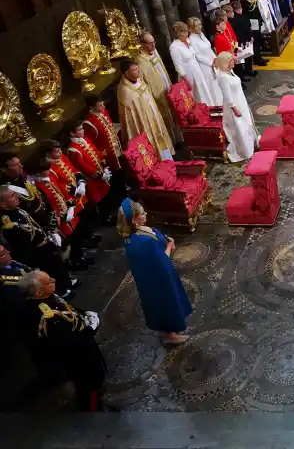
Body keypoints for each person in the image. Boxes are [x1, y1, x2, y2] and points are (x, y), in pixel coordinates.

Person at [16, 270, 107, 410]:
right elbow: (70, 344)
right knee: (90, 385)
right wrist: (91, 329)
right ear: (39, 293)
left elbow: (67, 309)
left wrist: (82, 315)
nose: (53, 281)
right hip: (78, 358)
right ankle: (94, 411)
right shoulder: (49, 318)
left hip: (79, 348)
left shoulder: (46, 297)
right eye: (49, 282)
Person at [118, 199, 191, 346]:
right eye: (142, 213)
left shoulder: (134, 235)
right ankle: (170, 335)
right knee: (167, 303)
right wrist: (169, 245)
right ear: (134, 219)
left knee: (161, 303)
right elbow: (162, 258)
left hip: (152, 277)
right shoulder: (143, 242)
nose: (146, 214)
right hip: (160, 277)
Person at [0, 186, 75, 297]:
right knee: (50, 270)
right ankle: (60, 291)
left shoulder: (18, 210)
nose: (16, 196)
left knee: (58, 265)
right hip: (37, 251)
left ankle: (65, 283)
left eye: (14, 193)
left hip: (44, 243)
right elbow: (22, 245)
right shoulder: (9, 223)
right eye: (11, 196)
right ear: (3, 204)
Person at [116, 59, 175, 160]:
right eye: (135, 70)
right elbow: (131, 120)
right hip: (143, 124)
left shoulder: (139, 80)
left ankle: (167, 161)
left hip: (153, 117)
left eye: (138, 69)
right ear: (126, 73)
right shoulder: (125, 92)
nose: (138, 72)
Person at [134, 33, 179, 140]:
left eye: (154, 42)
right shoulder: (140, 62)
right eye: (150, 43)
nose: (153, 46)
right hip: (157, 94)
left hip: (166, 87)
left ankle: (177, 135)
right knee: (164, 116)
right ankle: (171, 139)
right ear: (142, 44)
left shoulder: (154, 52)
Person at [215, 52, 258, 162]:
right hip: (234, 106)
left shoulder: (229, 72)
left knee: (247, 123)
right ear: (225, 63)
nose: (233, 62)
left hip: (240, 101)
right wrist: (234, 108)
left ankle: (251, 146)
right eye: (231, 61)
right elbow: (227, 96)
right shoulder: (222, 77)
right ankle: (245, 151)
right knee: (240, 128)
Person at [170, 21, 220, 107]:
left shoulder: (187, 41)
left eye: (186, 31)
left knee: (203, 91)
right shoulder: (174, 47)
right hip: (188, 74)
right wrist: (187, 81)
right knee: (195, 94)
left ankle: (209, 108)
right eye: (184, 31)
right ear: (178, 33)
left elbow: (195, 54)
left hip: (197, 70)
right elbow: (178, 66)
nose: (187, 33)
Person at [83, 96, 124, 171]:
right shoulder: (89, 124)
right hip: (108, 155)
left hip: (117, 147)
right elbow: (92, 144)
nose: (103, 106)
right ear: (91, 108)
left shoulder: (104, 111)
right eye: (100, 105)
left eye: (103, 104)